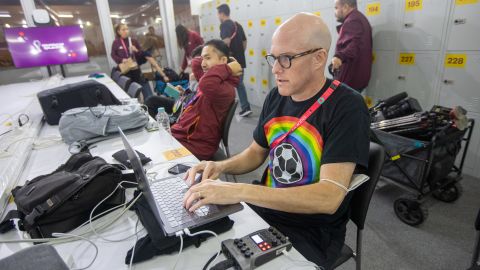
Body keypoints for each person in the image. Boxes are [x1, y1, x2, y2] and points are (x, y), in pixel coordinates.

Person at [183, 13, 370, 270]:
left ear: (319, 58)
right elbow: (255, 153)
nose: (275, 69)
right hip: (263, 209)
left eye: (286, 58)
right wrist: (220, 167)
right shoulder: (276, 96)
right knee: (196, 249)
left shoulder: (347, 106)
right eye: (274, 57)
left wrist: (238, 191)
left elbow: (329, 197)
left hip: (310, 231)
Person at [163, 40, 241, 161]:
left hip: (195, 146)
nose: (203, 64)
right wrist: (225, 65)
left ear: (224, 61)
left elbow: (205, 82)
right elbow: (195, 63)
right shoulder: (216, 80)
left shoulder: (224, 88)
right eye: (203, 58)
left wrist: (227, 68)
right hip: (183, 137)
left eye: (208, 58)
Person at [145, 45, 204, 117]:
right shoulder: (195, 76)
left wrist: (193, 83)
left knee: (152, 101)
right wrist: (183, 92)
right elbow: (191, 95)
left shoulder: (206, 80)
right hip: (182, 101)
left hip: (186, 107)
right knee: (151, 100)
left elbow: (196, 100)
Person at [217, 4, 252, 117]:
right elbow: (244, 42)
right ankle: (245, 107)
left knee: (228, 84)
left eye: (218, 14)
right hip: (240, 60)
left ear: (222, 13)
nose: (218, 16)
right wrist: (239, 54)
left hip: (230, 61)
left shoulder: (224, 25)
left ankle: (228, 109)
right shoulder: (237, 25)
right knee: (239, 84)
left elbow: (226, 42)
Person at [332, 0, 372, 92]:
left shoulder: (353, 21)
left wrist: (339, 57)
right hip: (354, 79)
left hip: (348, 80)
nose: (335, 12)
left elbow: (353, 45)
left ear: (345, 7)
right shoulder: (359, 18)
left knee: (334, 103)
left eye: (336, 8)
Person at [111, 23, 154, 99]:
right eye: (123, 29)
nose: (126, 31)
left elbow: (141, 54)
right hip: (125, 71)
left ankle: (150, 103)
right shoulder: (116, 42)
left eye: (127, 29)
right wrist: (121, 59)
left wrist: (136, 50)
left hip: (135, 70)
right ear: (118, 31)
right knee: (130, 92)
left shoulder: (133, 41)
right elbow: (113, 55)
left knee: (143, 88)